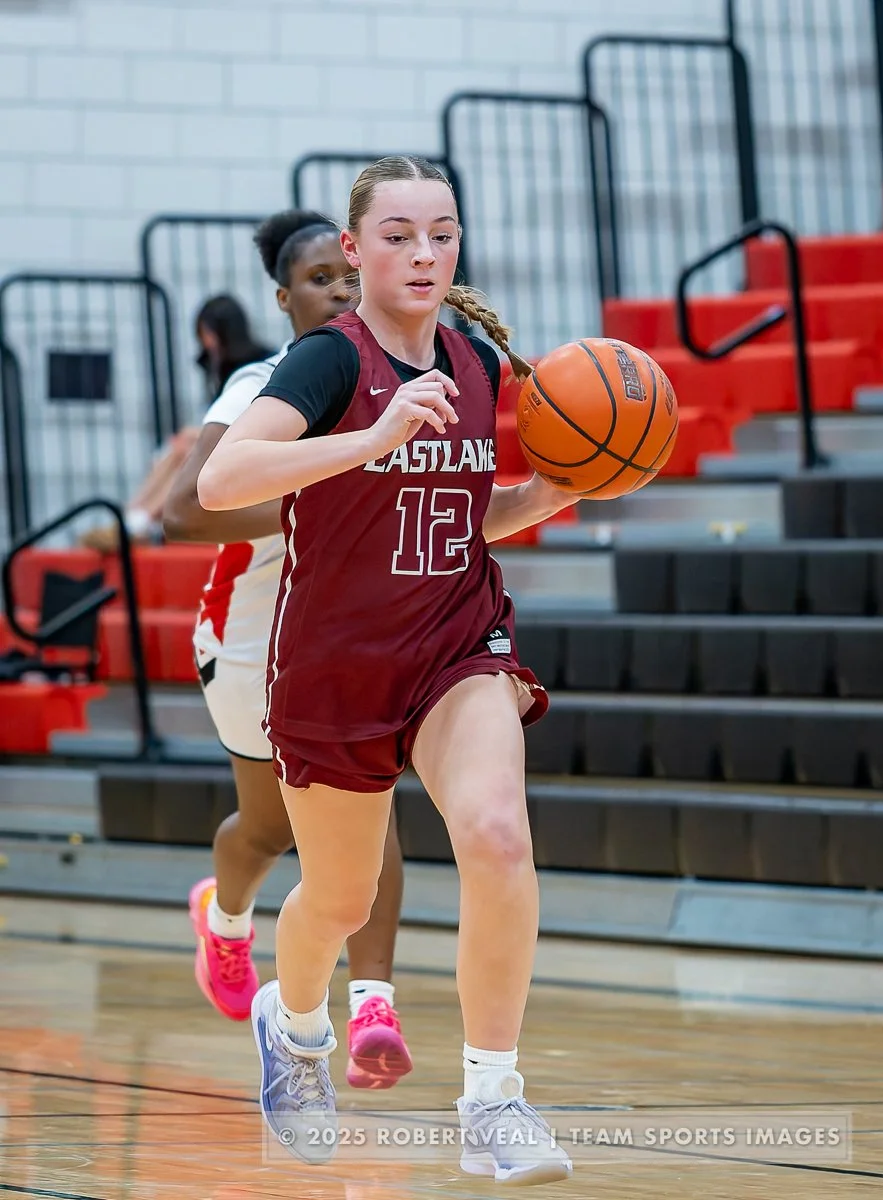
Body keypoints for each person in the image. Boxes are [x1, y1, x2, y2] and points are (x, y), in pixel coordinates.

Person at [197, 157, 578, 1186]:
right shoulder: (327, 363)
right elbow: (223, 479)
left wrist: (560, 486)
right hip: (335, 662)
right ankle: (297, 1028)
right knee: (340, 896)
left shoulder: (479, 364)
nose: (423, 252)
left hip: (457, 642)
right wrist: (369, 435)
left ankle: (492, 1099)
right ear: (355, 249)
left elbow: (470, 514)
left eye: (441, 233)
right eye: (399, 234)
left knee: (497, 834)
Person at [162, 210, 413, 1091]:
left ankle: (374, 1002)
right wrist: (333, 491)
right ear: (284, 297)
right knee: (269, 828)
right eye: (319, 280)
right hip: (248, 633)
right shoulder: (258, 384)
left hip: (354, 638)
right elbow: (185, 511)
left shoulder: (404, 380)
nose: (342, 292)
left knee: (370, 809)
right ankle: (225, 921)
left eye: (349, 275)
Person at [80, 296, 272, 553]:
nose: (205, 341)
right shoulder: (221, 365)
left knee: (185, 449)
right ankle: (131, 519)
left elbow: (245, 421)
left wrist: (192, 436)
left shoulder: (260, 365)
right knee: (178, 448)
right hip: (228, 446)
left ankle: (138, 523)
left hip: (249, 448)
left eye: (206, 332)